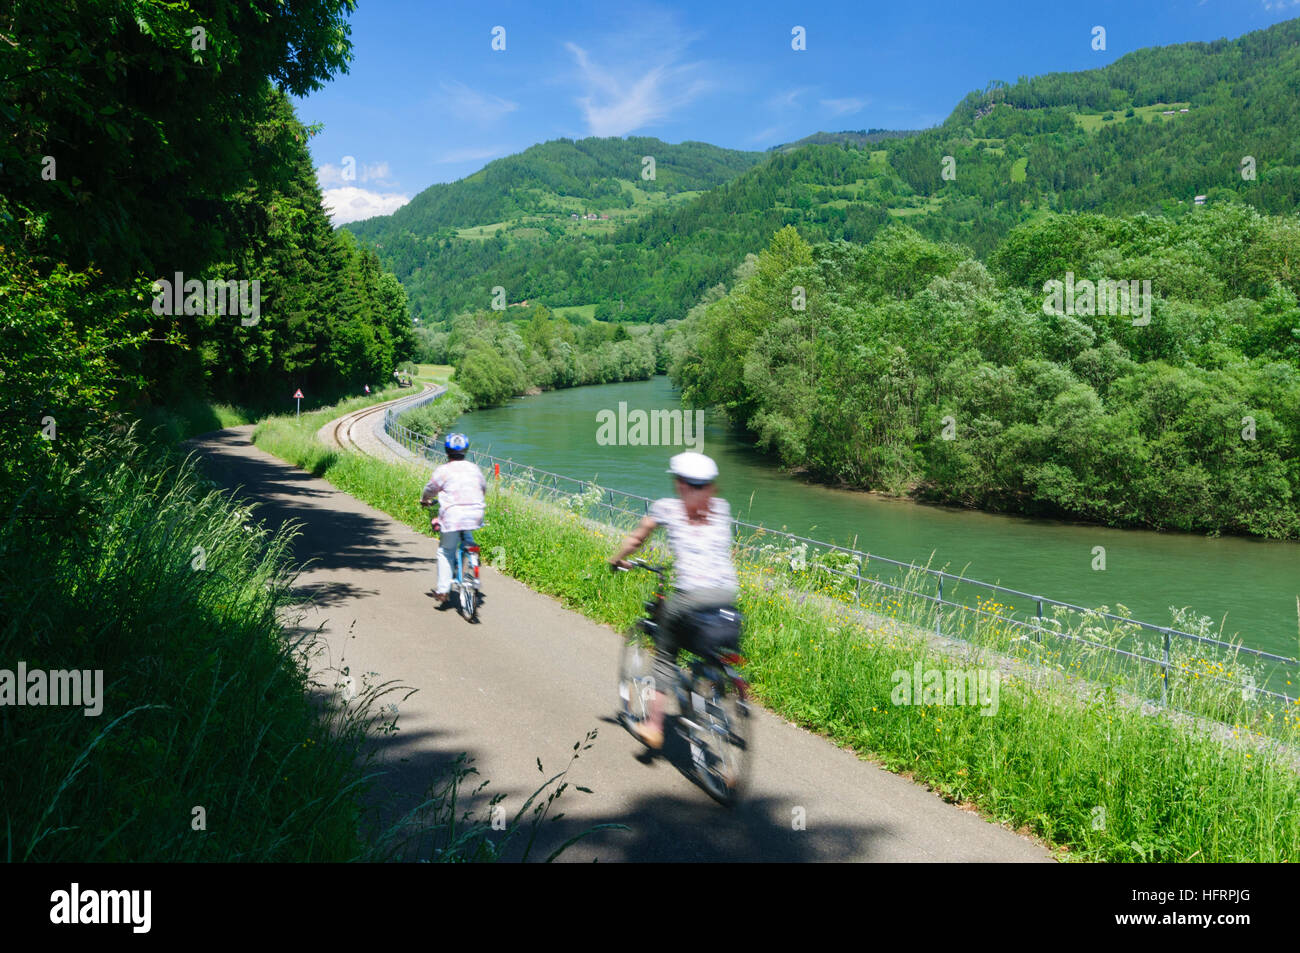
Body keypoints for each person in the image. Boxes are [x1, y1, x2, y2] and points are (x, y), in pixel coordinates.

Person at [610, 451, 741, 750]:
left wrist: (616, 559)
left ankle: (654, 727)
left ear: (681, 482)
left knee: (665, 657)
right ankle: (711, 686)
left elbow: (637, 540)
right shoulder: (722, 507)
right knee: (706, 647)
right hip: (727, 597)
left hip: (690, 598)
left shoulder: (668, 508)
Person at [419, 433, 486, 606]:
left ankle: (443, 590)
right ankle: (472, 552)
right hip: (475, 512)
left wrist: (425, 499)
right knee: (467, 535)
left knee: (446, 551)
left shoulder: (443, 470)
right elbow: (483, 487)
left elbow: (430, 489)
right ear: (466, 450)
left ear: (447, 450)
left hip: (453, 515)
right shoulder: (474, 468)